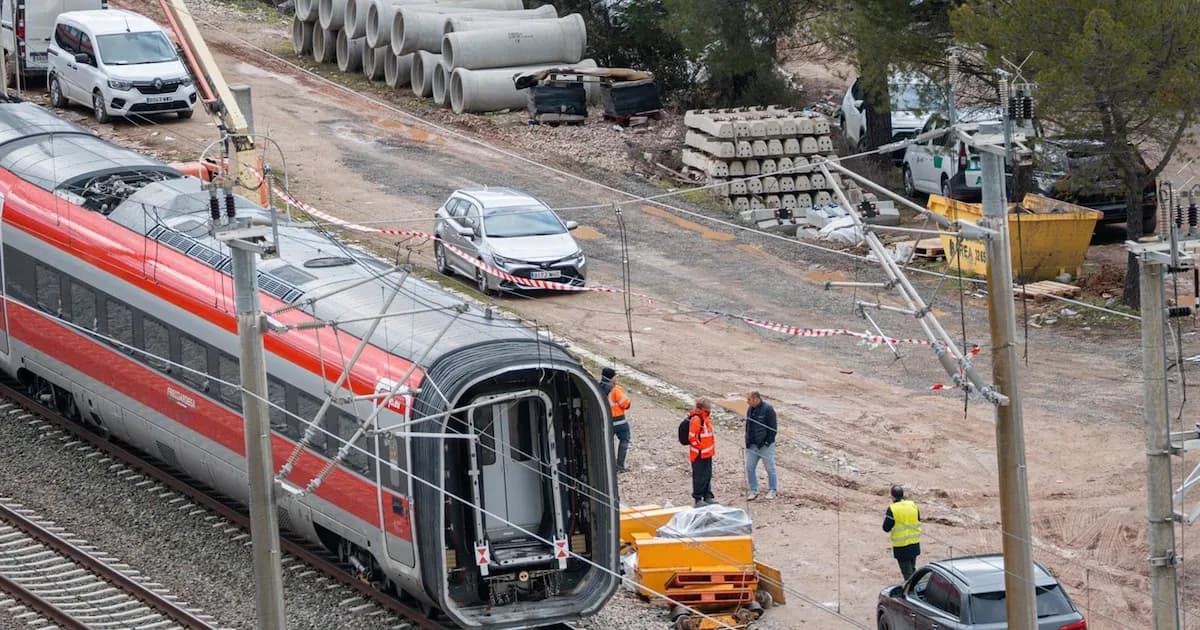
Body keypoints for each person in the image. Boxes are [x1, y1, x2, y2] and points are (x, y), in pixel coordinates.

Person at [882, 485, 921, 581]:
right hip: (914, 543)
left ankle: (911, 592)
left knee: (908, 575)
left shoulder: (892, 509)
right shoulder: (913, 505)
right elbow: (918, 519)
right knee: (912, 569)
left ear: (892, 497)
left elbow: (886, 528)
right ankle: (914, 587)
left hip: (902, 547)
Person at [744, 391, 778, 500]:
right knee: (749, 467)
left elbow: (773, 428)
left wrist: (768, 442)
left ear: (755, 399)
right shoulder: (750, 409)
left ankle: (772, 489)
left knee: (770, 468)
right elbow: (748, 426)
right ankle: (753, 490)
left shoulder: (768, 409)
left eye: (749, 399)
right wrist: (747, 441)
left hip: (765, 446)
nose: (747, 402)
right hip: (752, 445)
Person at [598, 367, 632, 472]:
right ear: (611, 377)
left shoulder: (598, 387)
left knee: (607, 443)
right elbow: (626, 404)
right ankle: (620, 466)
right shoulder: (616, 389)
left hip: (606, 422)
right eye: (614, 376)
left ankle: (607, 466)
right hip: (620, 421)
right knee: (624, 440)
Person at [687, 398, 716, 507]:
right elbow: (692, 437)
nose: (710, 408)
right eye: (708, 406)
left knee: (707, 475)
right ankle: (698, 498)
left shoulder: (705, 417)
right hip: (699, 453)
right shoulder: (697, 419)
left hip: (707, 453)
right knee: (699, 476)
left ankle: (707, 496)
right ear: (703, 407)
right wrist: (701, 447)